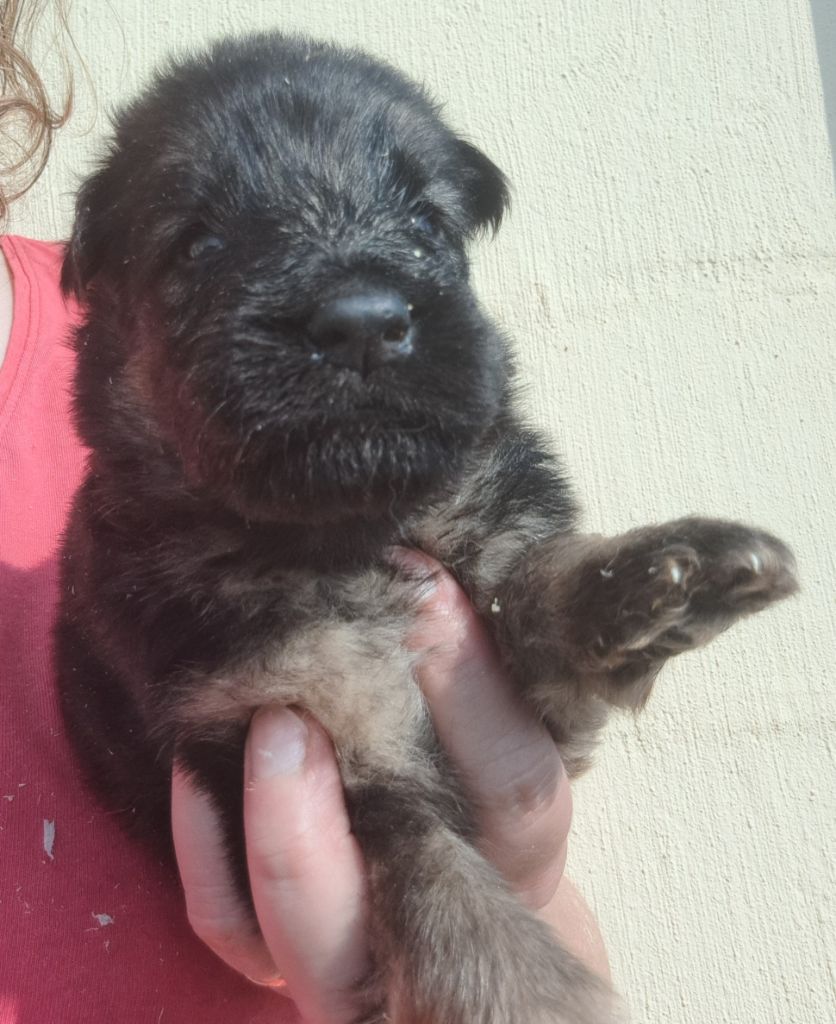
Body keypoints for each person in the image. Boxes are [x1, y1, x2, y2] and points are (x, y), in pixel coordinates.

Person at [0, 4, 609, 1021]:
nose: (360, 308)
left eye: (425, 227)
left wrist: (523, 897)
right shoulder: (134, 437)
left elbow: (548, 933)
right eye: (202, 250)